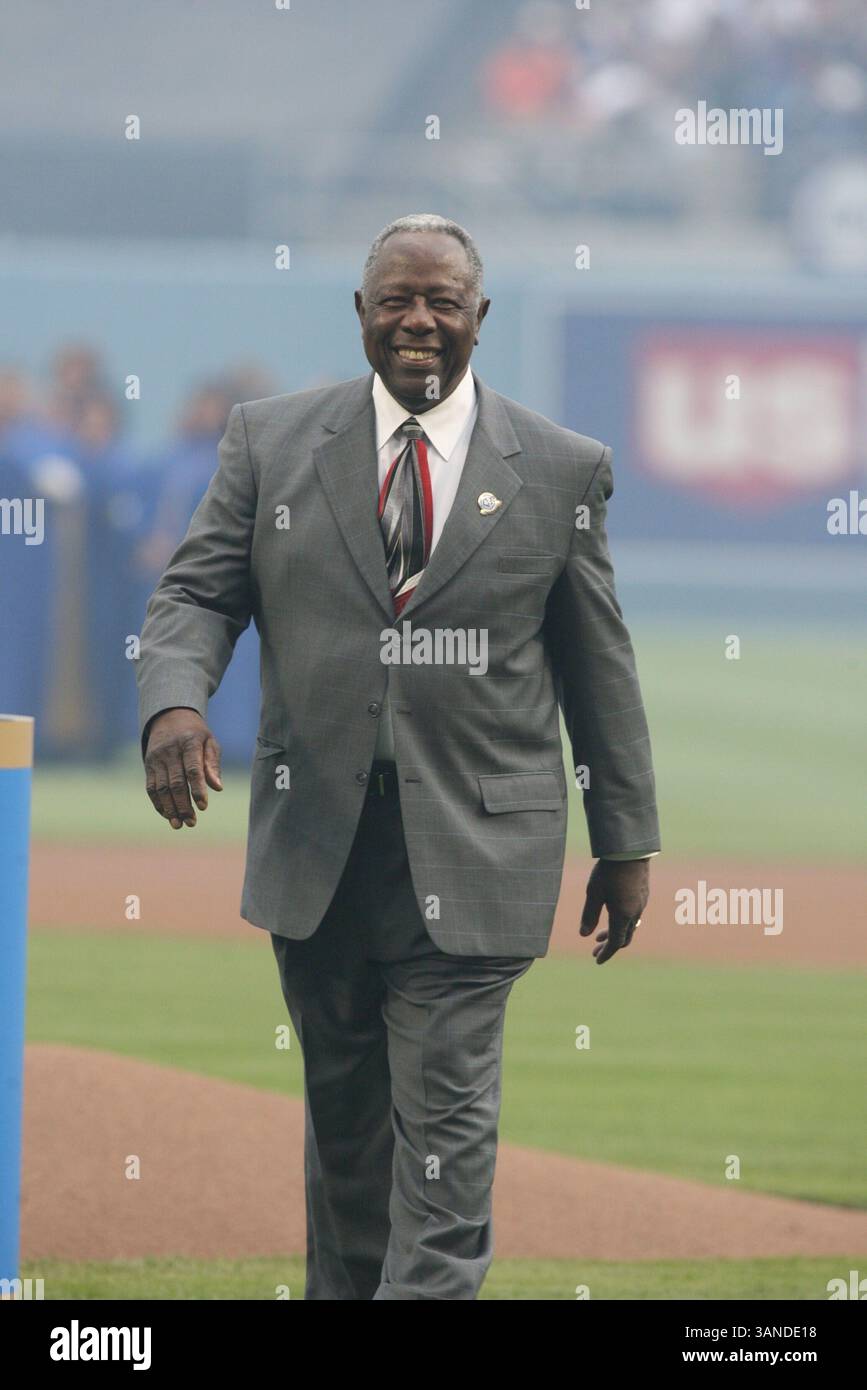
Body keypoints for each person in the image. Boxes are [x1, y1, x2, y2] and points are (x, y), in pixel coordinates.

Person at [136, 213, 660, 1301]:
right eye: (396, 300)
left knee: (445, 1152)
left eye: (442, 302)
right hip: (317, 849)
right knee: (349, 1145)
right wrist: (173, 706)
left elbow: (599, 666)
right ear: (362, 314)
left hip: (478, 854)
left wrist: (627, 840)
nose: (418, 320)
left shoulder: (562, 470)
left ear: (479, 317)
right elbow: (194, 593)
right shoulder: (270, 442)